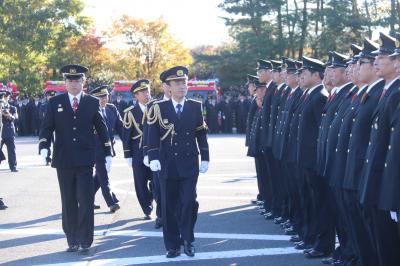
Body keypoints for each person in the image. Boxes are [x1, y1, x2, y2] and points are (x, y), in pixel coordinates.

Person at [39, 64, 112, 253]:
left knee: (86, 200)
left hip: (85, 159)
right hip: (63, 160)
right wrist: (44, 145)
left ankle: (85, 239)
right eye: (70, 80)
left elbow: (102, 128)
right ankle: (72, 238)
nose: (73, 84)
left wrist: (107, 151)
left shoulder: (91, 102)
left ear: (83, 82)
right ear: (65, 83)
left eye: (77, 80)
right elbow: (47, 126)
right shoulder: (56, 102)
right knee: (68, 200)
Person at [147, 66, 209, 258]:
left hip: (190, 163)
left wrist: (205, 156)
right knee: (168, 205)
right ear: (168, 87)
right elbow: (152, 134)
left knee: (189, 202)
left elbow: (201, 133)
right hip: (167, 164)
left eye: (184, 83)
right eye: (177, 83)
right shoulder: (157, 108)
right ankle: (173, 245)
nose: (182, 86)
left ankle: (188, 239)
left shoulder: (195, 106)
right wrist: (153, 157)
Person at [123, 80, 154, 220]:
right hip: (138, 152)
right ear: (136, 95)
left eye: (147, 91)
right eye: (143, 92)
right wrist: (128, 155)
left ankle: (157, 201)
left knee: (157, 181)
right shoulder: (130, 113)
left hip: (154, 150)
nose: (147, 94)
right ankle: (147, 208)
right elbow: (126, 136)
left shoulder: (157, 108)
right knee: (140, 182)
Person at [90, 85, 123, 213]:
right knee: (103, 175)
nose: (103, 99)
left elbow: (120, 127)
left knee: (99, 176)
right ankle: (111, 202)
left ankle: (84, 197)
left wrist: (128, 143)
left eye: (105, 96)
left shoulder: (112, 108)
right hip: (96, 148)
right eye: (100, 97)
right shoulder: (91, 111)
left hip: (109, 148)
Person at [1, 89, 18, 172]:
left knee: (11, 150)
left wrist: (7, 114)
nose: (3, 99)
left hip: (9, 131)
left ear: (8, 97)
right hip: (0, 132)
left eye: (5, 97)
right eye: (2, 97)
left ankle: (13, 166)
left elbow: (15, 118)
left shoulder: (12, 107)